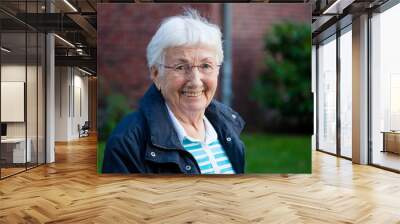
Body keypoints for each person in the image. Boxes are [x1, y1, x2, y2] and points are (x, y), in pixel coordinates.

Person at [102, 9, 245, 174]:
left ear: (218, 70)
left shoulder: (226, 128)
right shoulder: (127, 142)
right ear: (156, 74)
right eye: (181, 67)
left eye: (206, 66)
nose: (195, 81)